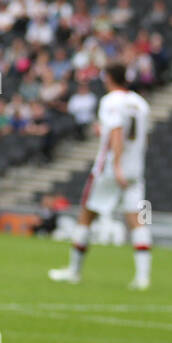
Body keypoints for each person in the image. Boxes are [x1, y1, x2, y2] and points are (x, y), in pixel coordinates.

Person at [50, 62, 152, 289]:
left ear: (108, 78)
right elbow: (142, 137)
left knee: (86, 216)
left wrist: (116, 166)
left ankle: (74, 271)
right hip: (135, 169)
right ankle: (143, 277)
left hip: (109, 169)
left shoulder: (110, 101)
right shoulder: (140, 103)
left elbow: (116, 131)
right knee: (137, 221)